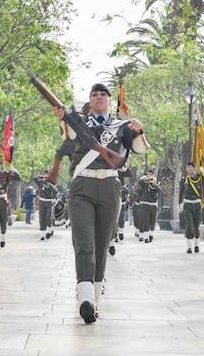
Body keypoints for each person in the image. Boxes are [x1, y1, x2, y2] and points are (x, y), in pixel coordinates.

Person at [53, 83, 148, 323]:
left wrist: (138, 130)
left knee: (102, 243)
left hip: (110, 187)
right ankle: (85, 297)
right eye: (94, 94)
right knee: (84, 242)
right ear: (90, 100)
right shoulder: (79, 122)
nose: (98, 97)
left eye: (103, 94)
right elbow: (69, 135)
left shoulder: (121, 126)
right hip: (82, 186)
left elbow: (139, 149)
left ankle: (94, 297)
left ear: (109, 100)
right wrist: (63, 118)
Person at [179, 162, 204, 254]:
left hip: (197, 204)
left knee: (196, 227)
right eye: (188, 167)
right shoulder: (183, 179)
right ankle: (189, 247)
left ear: (194, 169)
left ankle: (196, 245)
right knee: (189, 226)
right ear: (186, 169)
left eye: (191, 167)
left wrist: (203, 171)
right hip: (187, 205)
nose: (190, 169)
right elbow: (181, 192)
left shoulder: (199, 178)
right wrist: (180, 204)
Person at [132, 168, 161, 243]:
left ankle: (150, 234)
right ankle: (145, 237)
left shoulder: (155, 183)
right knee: (145, 220)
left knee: (152, 221)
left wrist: (154, 183)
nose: (150, 175)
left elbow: (159, 191)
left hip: (153, 205)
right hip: (144, 204)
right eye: (148, 174)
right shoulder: (143, 182)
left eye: (151, 174)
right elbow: (137, 190)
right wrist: (145, 180)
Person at [36, 173, 58, 240]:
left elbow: (56, 191)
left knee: (48, 218)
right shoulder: (41, 183)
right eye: (44, 178)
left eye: (46, 178)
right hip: (42, 203)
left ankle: (49, 231)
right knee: (41, 219)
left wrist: (50, 185)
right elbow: (34, 179)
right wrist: (40, 176)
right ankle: (42, 235)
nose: (45, 179)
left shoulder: (51, 184)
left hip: (49, 203)